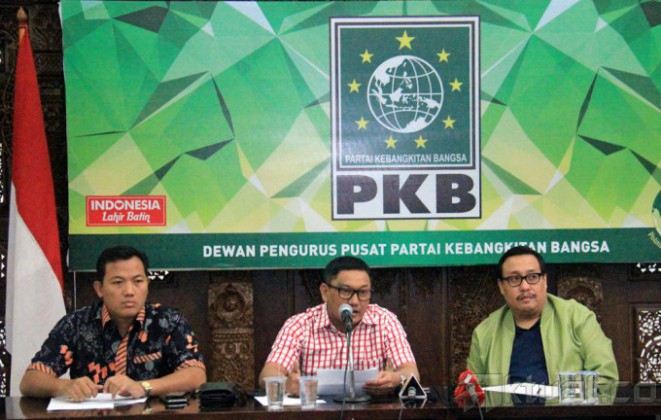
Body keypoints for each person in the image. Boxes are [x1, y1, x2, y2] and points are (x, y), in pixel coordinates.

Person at [19, 246, 206, 401]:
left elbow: (196, 375)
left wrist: (143, 387)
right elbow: (30, 381)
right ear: (100, 289)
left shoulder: (168, 321)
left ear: (147, 285)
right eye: (118, 282)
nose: (129, 291)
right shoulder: (75, 324)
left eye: (138, 281)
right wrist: (63, 386)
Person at [259, 256, 419, 395]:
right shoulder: (299, 325)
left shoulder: (385, 321)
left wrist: (397, 378)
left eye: (363, 292)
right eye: (346, 291)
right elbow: (268, 374)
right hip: (316, 414)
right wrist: (286, 384)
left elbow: (411, 373)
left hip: (371, 411)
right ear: (325, 292)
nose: (355, 301)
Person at [467, 246, 618, 387]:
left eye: (533, 277)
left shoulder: (577, 318)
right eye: (514, 279)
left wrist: (565, 400)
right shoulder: (484, 333)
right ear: (501, 286)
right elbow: (473, 391)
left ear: (544, 280)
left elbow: (605, 377)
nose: (525, 287)